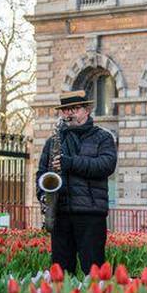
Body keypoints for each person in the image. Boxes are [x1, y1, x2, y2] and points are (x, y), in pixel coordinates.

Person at [36, 90, 117, 274]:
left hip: (90, 214)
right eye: (65, 110)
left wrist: (70, 163)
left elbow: (106, 165)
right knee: (61, 272)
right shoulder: (53, 141)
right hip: (61, 212)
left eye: (74, 108)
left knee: (94, 271)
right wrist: (44, 196)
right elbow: (42, 173)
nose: (69, 113)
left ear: (86, 110)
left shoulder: (103, 137)